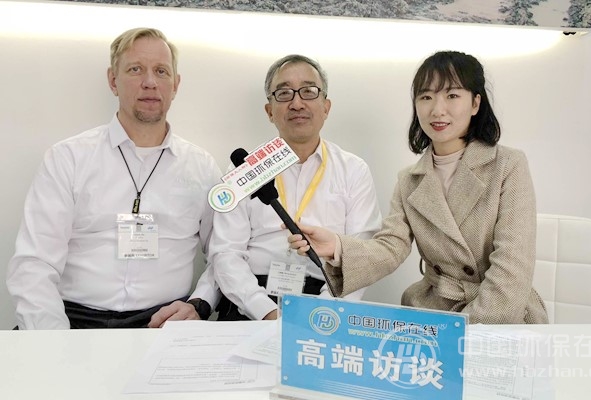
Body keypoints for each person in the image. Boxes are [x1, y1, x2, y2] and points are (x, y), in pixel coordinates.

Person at [288, 51, 548, 325]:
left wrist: (462, 330)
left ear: (475, 103)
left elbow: (512, 267)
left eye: (452, 95)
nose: (437, 109)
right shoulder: (409, 180)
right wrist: (337, 246)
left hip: (500, 313)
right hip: (435, 309)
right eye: (426, 97)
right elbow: (391, 247)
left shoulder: (507, 165)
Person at [6, 28, 223, 329]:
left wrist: (200, 303)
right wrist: (55, 338)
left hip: (163, 322)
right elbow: (34, 264)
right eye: (136, 69)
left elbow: (224, 253)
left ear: (175, 85)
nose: (150, 82)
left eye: (161, 71)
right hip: (71, 318)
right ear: (113, 81)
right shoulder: (68, 158)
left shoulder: (202, 167)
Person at [211, 54, 382, 321]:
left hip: (326, 301)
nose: (297, 103)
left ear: (326, 107)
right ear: (269, 111)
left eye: (308, 91)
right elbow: (226, 252)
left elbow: (361, 256)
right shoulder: (244, 170)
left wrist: (319, 314)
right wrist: (266, 312)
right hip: (250, 304)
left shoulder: (353, 170)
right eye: (284, 93)